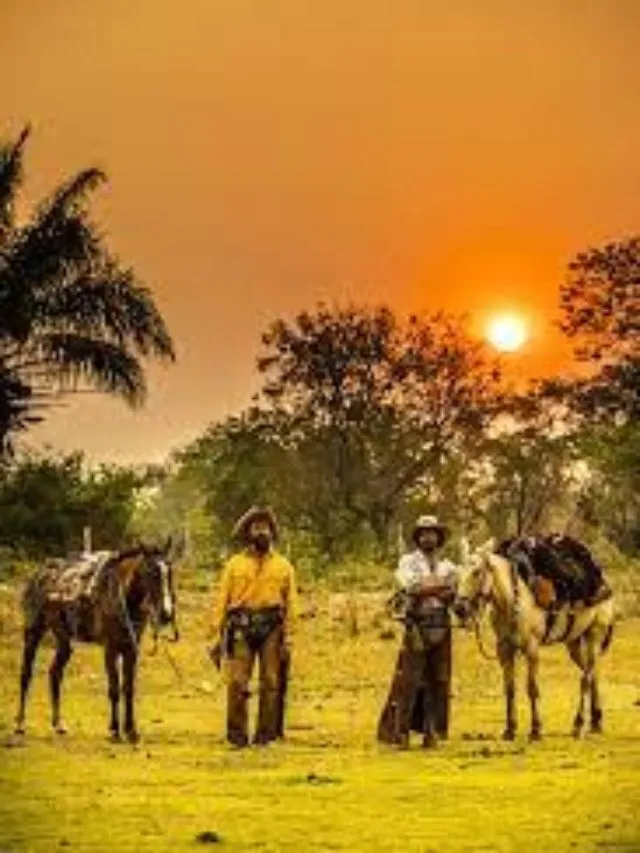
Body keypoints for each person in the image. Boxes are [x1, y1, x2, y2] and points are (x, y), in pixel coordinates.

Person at [207, 506, 297, 747]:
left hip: (272, 629)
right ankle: (237, 736)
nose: (262, 533)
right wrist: (215, 634)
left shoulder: (284, 566)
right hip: (241, 628)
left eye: (265, 528)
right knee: (237, 682)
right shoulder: (233, 565)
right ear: (248, 533)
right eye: (257, 528)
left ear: (272, 533)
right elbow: (221, 600)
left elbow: (291, 604)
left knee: (270, 681)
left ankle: (265, 736)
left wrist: (289, 637)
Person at [377, 515, 459, 748]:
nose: (427, 537)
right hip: (417, 625)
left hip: (442, 625)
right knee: (410, 681)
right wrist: (440, 586)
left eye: (432, 533)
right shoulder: (407, 562)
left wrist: (429, 587)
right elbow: (411, 587)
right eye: (423, 533)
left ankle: (431, 732)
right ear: (418, 537)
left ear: (438, 537)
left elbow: (452, 595)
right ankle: (401, 732)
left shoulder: (448, 566)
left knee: (439, 681)